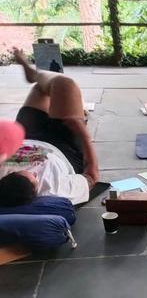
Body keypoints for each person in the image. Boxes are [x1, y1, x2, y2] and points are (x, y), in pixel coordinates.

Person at [0, 48, 99, 206]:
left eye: (25, 172)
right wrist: (85, 135)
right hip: (62, 149)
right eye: (35, 178)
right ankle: (34, 75)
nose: (35, 173)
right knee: (64, 84)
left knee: (41, 89)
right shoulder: (55, 190)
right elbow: (92, 177)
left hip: (25, 137)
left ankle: (34, 76)